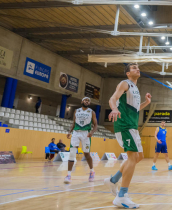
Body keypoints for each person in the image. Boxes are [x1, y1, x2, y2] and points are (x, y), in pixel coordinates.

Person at [104, 63, 152, 208]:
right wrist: (113, 109)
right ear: (128, 73)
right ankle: (122, 196)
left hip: (132, 125)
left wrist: (146, 102)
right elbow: (112, 99)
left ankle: (113, 180)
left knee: (139, 157)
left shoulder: (135, 88)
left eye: (138, 67)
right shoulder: (124, 83)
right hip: (124, 124)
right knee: (132, 157)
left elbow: (136, 108)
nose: (137, 69)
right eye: (133, 68)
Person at [64, 97, 98, 184]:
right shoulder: (76, 111)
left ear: (89, 103)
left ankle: (92, 171)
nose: (87, 101)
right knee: (72, 153)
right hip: (75, 133)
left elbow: (95, 125)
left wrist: (92, 132)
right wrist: (69, 131)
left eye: (88, 101)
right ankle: (68, 175)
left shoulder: (91, 112)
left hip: (85, 133)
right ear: (82, 101)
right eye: (85, 100)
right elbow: (74, 123)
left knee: (86, 154)